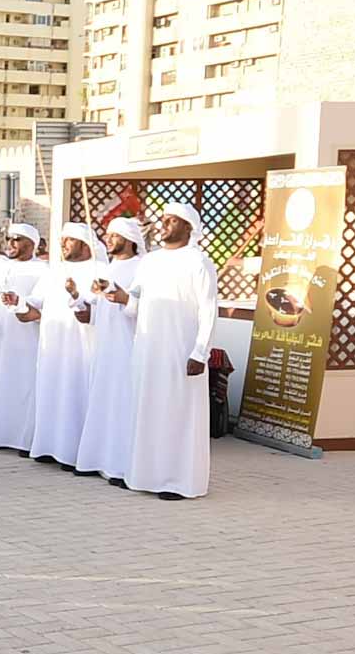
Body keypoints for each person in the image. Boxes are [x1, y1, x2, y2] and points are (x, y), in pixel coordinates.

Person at [124, 205, 219, 499]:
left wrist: (200, 352)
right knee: (149, 409)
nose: (163, 225)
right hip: (149, 350)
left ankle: (179, 481)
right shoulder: (149, 261)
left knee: (178, 414)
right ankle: (145, 475)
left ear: (188, 227)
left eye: (171, 221)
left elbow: (209, 309)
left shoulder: (198, 262)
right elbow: (134, 302)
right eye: (163, 220)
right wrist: (117, 294)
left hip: (181, 351)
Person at [25, 224, 104, 469]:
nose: (63, 244)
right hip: (53, 346)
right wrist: (16, 304)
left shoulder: (100, 270)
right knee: (51, 393)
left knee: (76, 394)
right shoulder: (54, 271)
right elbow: (34, 304)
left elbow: (95, 310)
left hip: (82, 347)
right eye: (62, 240)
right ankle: (48, 447)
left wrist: (77, 297)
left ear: (84, 243)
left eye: (69, 240)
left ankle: (74, 452)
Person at [72, 218, 146, 481]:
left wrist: (122, 296)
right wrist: (81, 303)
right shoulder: (108, 267)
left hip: (128, 347)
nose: (109, 239)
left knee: (122, 403)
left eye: (115, 236)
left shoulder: (142, 267)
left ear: (130, 240)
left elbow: (140, 304)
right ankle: (98, 459)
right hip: (104, 347)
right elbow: (96, 309)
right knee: (102, 400)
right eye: (109, 235)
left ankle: (121, 465)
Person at [0, 223, 46, 453]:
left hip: (28, 342)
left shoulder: (43, 270)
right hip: (1, 342)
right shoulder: (2, 269)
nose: (11, 243)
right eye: (10, 238)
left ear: (32, 244)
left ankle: (25, 441)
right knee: (0, 386)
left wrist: (19, 302)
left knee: (26, 390)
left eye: (17, 239)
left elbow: (39, 305)